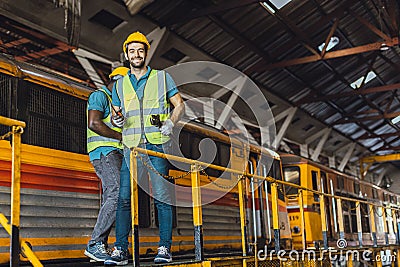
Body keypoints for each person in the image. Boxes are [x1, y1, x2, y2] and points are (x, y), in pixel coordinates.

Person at [104, 31, 184, 265]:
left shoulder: (162, 78)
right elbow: (117, 115)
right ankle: (120, 249)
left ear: (146, 53)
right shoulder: (119, 85)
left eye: (140, 50)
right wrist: (117, 121)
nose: (136, 55)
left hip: (156, 146)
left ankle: (164, 248)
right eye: (132, 51)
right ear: (126, 55)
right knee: (123, 199)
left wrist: (171, 121)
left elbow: (179, 105)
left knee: (161, 198)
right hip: (131, 148)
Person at [84, 67, 129, 262]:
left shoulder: (118, 105)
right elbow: (94, 123)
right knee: (116, 192)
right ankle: (95, 244)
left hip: (115, 153)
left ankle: (109, 246)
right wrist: (120, 136)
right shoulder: (100, 96)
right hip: (104, 152)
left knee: (120, 196)